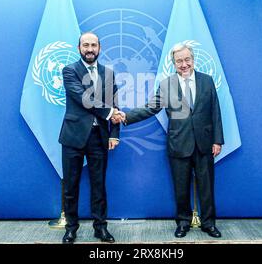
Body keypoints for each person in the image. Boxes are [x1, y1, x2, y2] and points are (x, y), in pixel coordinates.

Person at [112, 43, 224, 238]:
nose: (184, 64)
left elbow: (215, 112)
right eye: (179, 61)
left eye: (187, 59)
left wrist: (217, 140)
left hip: (204, 144)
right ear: (173, 63)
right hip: (178, 144)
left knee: (207, 187)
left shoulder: (207, 81)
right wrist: (126, 116)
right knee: (180, 187)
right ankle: (183, 223)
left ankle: (209, 223)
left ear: (193, 59)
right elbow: (151, 108)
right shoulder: (166, 84)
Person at [58, 32, 121, 244]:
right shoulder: (69, 71)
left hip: (99, 137)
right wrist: (111, 113)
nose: (90, 49)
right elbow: (84, 98)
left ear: (100, 48)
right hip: (73, 136)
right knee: (71, 186)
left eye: (93, 45)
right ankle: (71, 228)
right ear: (79, 48)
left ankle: (100, 227)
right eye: (86, 45)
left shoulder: (109, 74)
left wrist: (114, 134)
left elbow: (115, 104)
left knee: (98, 185)